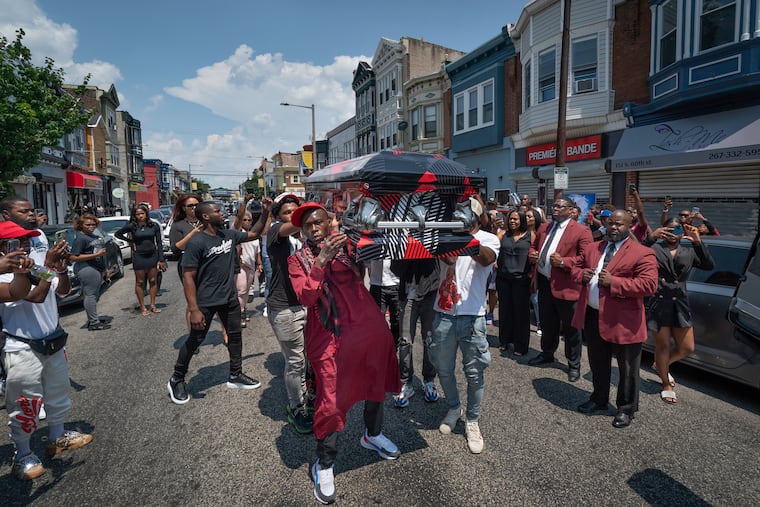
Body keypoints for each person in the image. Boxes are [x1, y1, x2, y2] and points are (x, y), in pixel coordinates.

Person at [288, 202, 400, 505]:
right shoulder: (297, 259)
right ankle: (324, 464)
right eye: (308, 225)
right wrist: (322, 260)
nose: (314, 228)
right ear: (302, 230)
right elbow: (306, 296)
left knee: (375, 384)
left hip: (366, 329)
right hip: (329, 338)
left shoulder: (348, 246)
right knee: (331, 403)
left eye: (319, 222)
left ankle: (372, 434)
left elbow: (379, 245)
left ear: (329, 223)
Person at [0, 220, 94, 480]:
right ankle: (23, 453)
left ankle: (57, 436)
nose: (25, 246)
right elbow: (33, 296)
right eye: (17, 242)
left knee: (57, 393)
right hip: (21, 347)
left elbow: (61, 291)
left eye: (26, 241)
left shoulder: (34, 266)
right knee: (25, 403)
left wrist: (60, 270)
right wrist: (50, 267)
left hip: (52, 341)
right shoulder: (5, 273)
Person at [167, 200, 270, 405]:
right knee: (195, 339)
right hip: (206, 300)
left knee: (235, 336)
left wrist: (265, 213)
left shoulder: (228, 235)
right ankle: (176, 379)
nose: (222, 214)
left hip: (229, 298)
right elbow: (188, 277)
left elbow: (254, 234)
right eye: (217, 211)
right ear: (206, 217)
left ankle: (235, 374)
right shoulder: (197, 242)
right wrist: (194, 309)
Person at [571, 210, 658, 428]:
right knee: (598, 362)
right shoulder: (595, 247)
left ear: (630, 226)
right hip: (593, 315)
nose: (613, 227)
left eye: (619, 224)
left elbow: (648, 285)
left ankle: (626, 409)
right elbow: (578, 266)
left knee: (627, 368)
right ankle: (599, 399)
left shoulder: (642, 252)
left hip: (624, 320)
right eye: (610, 223)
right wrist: (580, 275)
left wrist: (615, 282)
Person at [429, 195, 500, 454]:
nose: (458, 215)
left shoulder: (488, 239)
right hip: (444, 313)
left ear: (476, 215)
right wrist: (448, 234)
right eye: (455, 210)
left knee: (474, 373)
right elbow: (448, 260)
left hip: (473, 316)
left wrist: (463, 237)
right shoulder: (446, 236)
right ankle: (454, 407)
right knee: (443, 368)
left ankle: (472, 420)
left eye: (464, 211)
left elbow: (486, 259)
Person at [647, 218, 714, 404]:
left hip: (680, 303)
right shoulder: (654, 249)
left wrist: (698, 241)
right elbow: (636, 253)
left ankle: (661, 365)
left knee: (687, 348)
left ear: (682, 232)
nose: (672, 233)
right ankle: (665, 383)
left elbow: (709, 265)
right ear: (663, 230)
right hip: (659, 302)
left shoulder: (689, 250)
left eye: (676, 229)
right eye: (668, 229)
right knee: (663, 346)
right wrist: (651, 238)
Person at [528, 197, 593, 382]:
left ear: (571, 210)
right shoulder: (545, 227)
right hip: (545, 282)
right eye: (554, 206)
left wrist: (564, 262)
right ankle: (547, 353)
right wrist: (532, 254)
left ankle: (573, 364)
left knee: (572, 329)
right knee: (548, 323)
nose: (555, 209)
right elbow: (534, 246)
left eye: (559, 206)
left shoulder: (581, 231)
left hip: (567, 286)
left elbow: (586, 258)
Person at [265, 193, 313, 434]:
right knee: (295, 361)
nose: (293, 215)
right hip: (284, 308)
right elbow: (296, 224)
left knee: (311, 356)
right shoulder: (275, 232)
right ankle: (297, 408)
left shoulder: (304, 238)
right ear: (277, 216)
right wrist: (311, 215)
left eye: (297, 209)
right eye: (287, 212)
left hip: (308, 304)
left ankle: (309, 397)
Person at [393, 259, 441, 407]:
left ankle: (429, 380)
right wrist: (407, 258)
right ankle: (406, 383)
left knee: (430, 340)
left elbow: (442, 265)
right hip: (406, 294)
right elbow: (395, 269)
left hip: (430, 292)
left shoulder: (431, 238)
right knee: (405, 341)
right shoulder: (403, 240)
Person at [115, 204, 167, 316]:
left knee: (153, 280)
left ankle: (153, 305)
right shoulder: (132, 226)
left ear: (146, 214)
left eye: (142, 214)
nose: (140, 216)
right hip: (139, 256)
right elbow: (117, 234)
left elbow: (159, 243)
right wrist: (130, 241)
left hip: (152, 255)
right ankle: (143, 307)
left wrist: (161, 259)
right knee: (140, 282)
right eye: (137, 214)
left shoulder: (153, 226)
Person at [495, 210, 534, 356]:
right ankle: (505, 341)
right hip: (504, 278)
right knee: (505, 311)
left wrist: (532, 271)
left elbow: (536, 253)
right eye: (510, 219)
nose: (512, 221)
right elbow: (492, 244)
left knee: (521, 314)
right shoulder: (504, 234)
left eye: (516, 219)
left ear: (522, 220)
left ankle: (521, 345)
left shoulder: (531, 235)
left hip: (521, 280)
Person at [69, 213, 110, 331]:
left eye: (93, 224)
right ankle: (93, 322)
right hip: (86, 267)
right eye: (88, 225)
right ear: (81, 225)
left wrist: (105, 269)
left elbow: (101, 254)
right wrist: (96, 255)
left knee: (95, 295)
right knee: (90, 295)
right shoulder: (80, 238)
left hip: (96, 267)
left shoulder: (93, 236)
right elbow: (74, 257)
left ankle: (93, 318)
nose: (91, 227)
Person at [233, 196, 263, 327]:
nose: (246, 222)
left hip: (250, 267)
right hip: (240, 267)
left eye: (249, 220)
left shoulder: (254, 236)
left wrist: (260, 264)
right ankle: (239, 314)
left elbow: (257, 253)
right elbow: (238, 220)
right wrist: (245, 202)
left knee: (245, 293)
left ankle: (242, 310)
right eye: (244, 219)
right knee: (241, 290)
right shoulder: (237, 233)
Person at [525, 208, 543, 336]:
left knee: (536, 299)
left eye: (530, 216)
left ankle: (539, 323)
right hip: (522, 269)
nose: (527, 219)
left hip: (535, 270)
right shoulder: (521, 233)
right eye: (526, 216)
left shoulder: (540, 234)